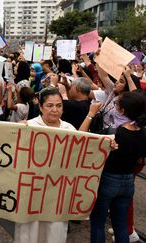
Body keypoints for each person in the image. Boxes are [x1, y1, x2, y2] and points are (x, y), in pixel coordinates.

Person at [83, 91, 146, 243]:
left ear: (122, 110)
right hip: (128, 181)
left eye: (117, 104)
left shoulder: (114, 133)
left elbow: (81, 136)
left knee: (98, 222)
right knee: (121, 225)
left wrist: (91, 114)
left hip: (108, 180)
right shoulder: (143, 132)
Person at [14, 88, 76, 243]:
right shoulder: (28, 126)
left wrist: (107, 145)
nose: (55, 110)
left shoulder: (70, 129)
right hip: (31, 193)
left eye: (59, 105)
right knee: (29, 234)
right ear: (41, 107)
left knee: (54, 233)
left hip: (58, 195)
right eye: (49, 105)